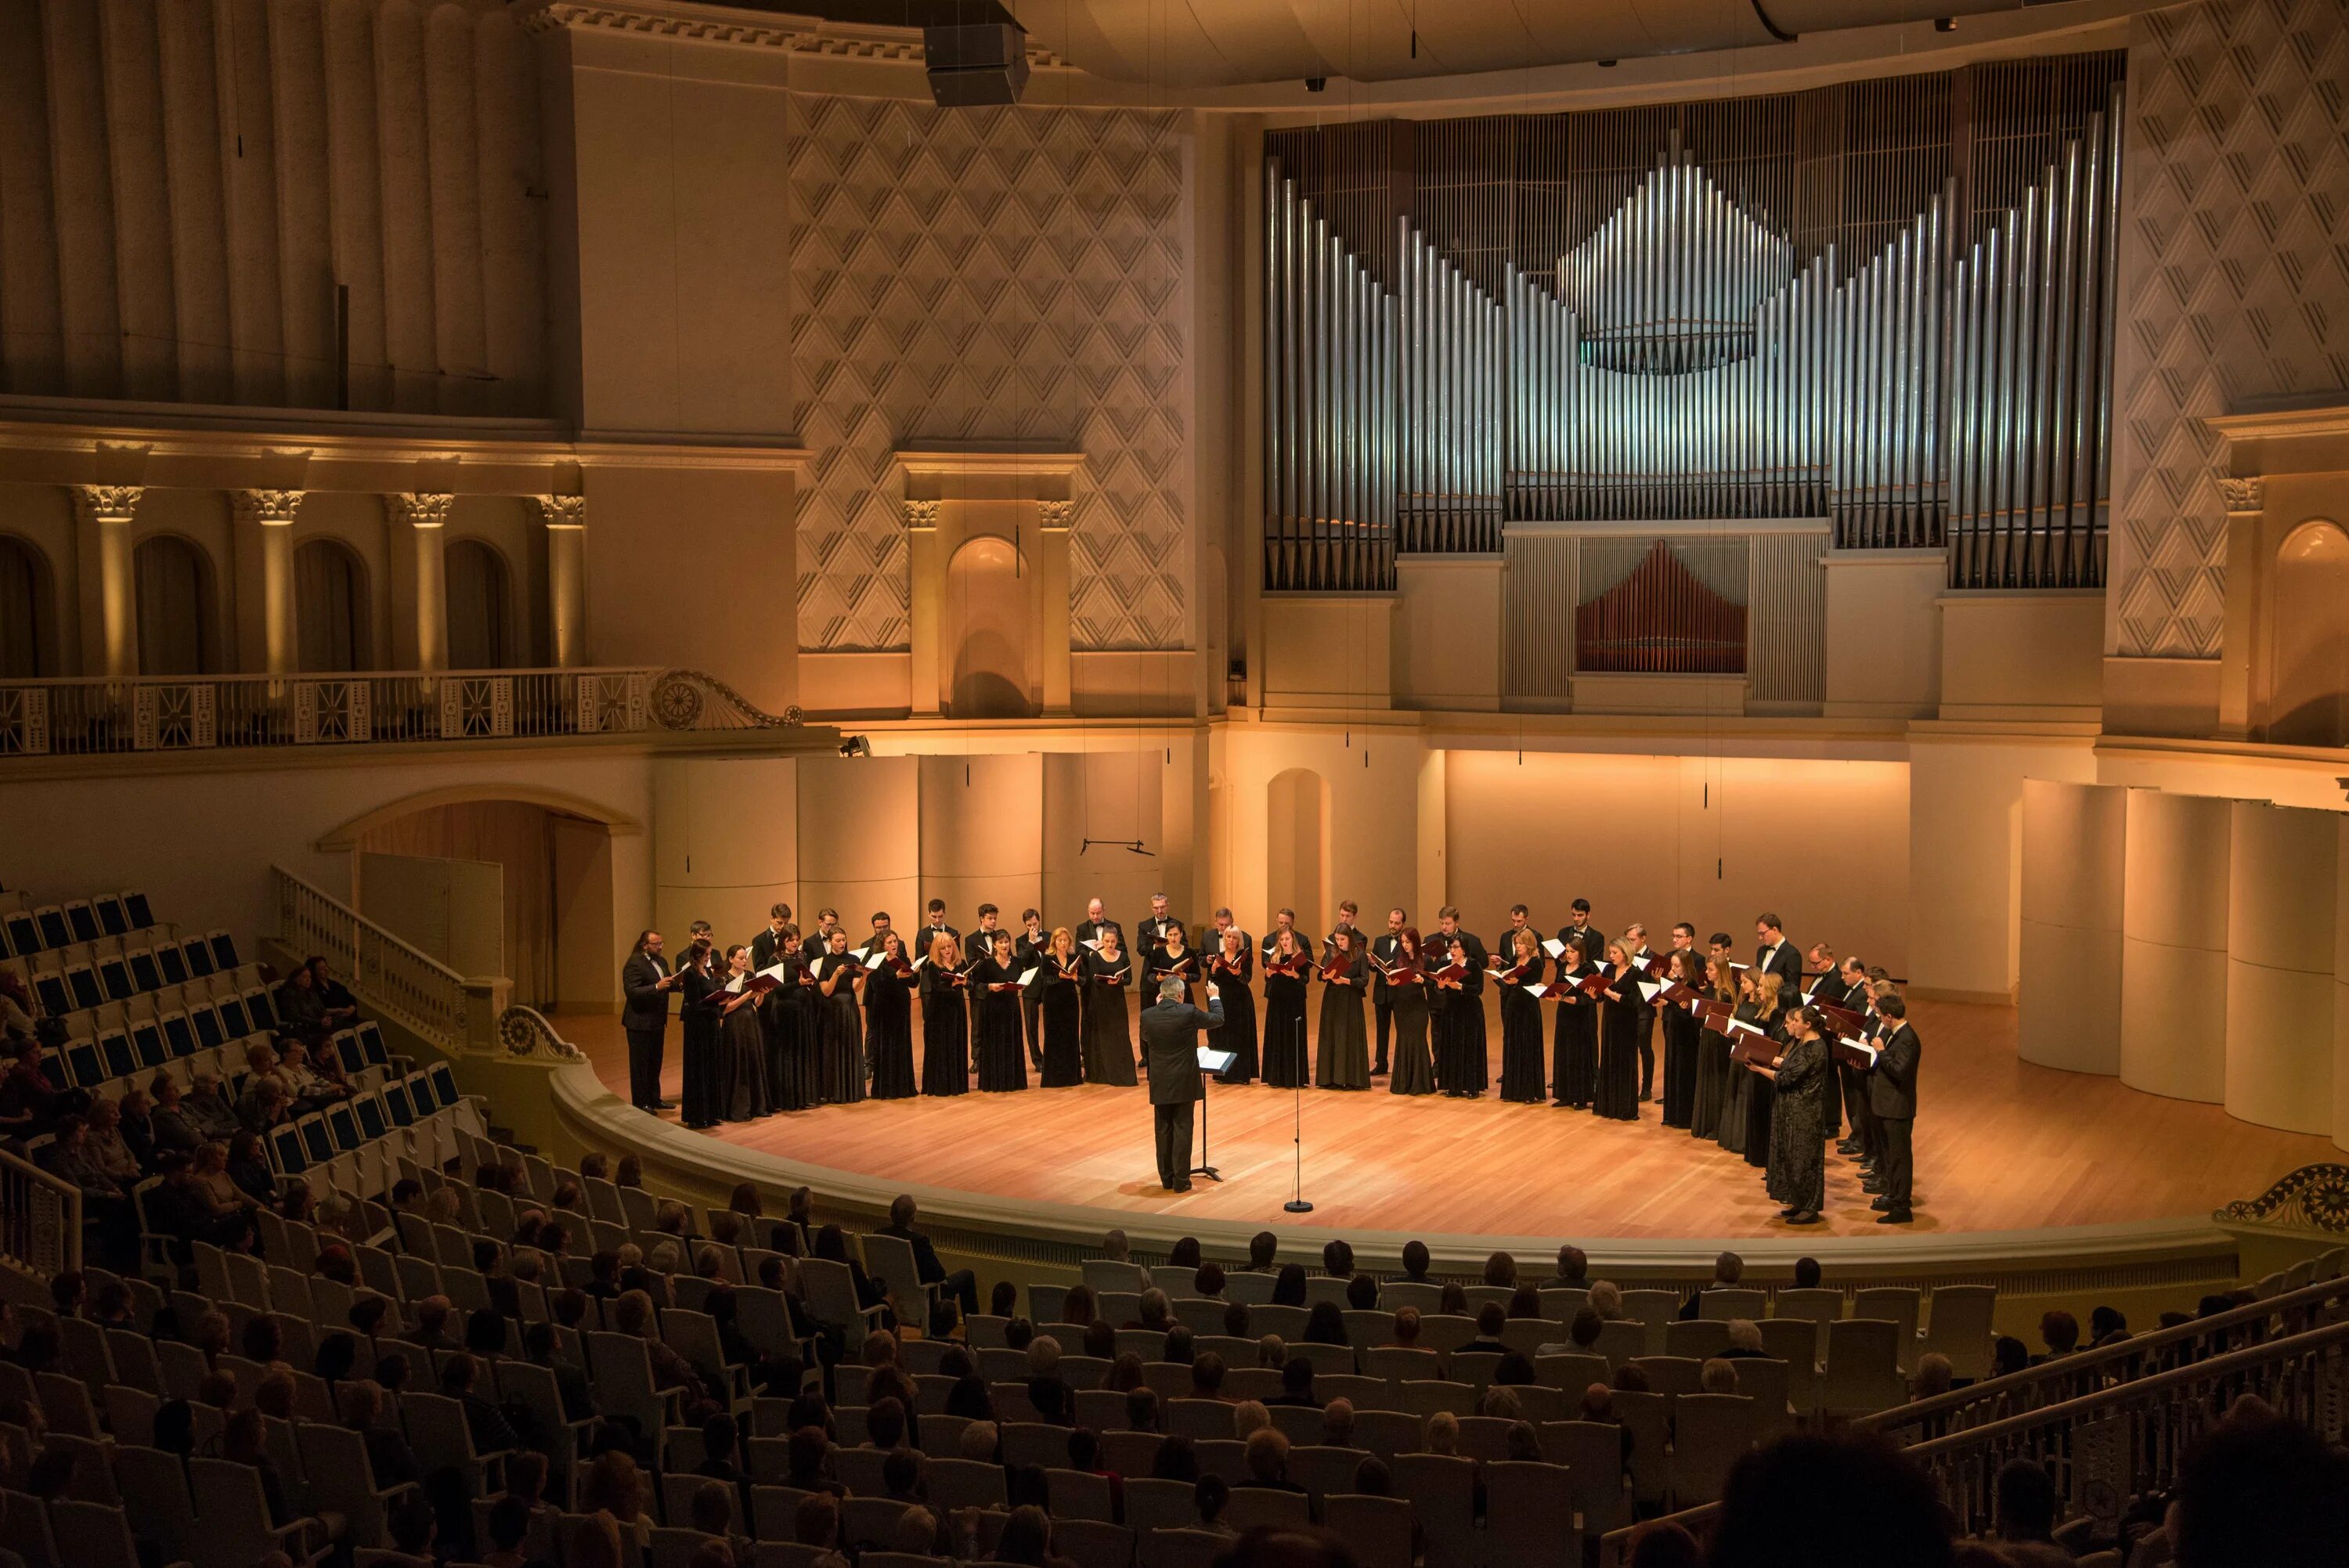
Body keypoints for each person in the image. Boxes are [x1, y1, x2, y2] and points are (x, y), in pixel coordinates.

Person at [1142, 975, 1223, 1192]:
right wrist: (1214, 997)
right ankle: (1181, 1181)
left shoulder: (1147, 1015)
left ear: (1161, 994)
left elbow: (1147, 1039)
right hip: (1184, 1081)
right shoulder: (1188, 1012)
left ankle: (1166, 1180)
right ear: (1180, 994)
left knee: (1163, 1130)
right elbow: (1217, 1019)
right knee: (1182, 1130)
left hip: (1160, 1082)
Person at [1765, 1007, 1830, 1225]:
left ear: (1808, 1024)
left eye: (1796, 1021)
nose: (1791, 1024)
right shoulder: (1803, 1044)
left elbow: (1786, 1078)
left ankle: (1809, 1207)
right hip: (1793, 1110)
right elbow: (1790, 1066)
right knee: (1792, 1158)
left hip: (1805, 1113)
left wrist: (1757, 1068)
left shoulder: (1815, 1048)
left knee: (1804, 1160)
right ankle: (1799, 1202)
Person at [879, 1195, 980, 1332]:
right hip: (924, 1295)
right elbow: (939, 1274)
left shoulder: (878, 1235)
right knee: (967, 1276)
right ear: (913, 1218)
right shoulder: (919, 1241)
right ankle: (975, 1332)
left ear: (891, 1215)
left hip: (890, 1293)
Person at [1869, 993, 1920, 1224]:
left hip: (1897, 1108)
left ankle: (1902, 1206)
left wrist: (1881, 1051)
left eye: (1880, 1016)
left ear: (1889, 1017)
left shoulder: (1907, 1038)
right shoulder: (1895, 1034)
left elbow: (1899, 1071)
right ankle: (1893, 1193)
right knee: (1890, 1155)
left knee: (1899, 1158)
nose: (1879, 1020)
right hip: (1887, 1106)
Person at [713, 946, 774, 1122]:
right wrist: (745, 997)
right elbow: (725, 1009)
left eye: (744, 958)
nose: (744, 961)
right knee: (738, 1062)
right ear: (731, 959)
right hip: (734, 1024)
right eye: (740, 958)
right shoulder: (723, 979)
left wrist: (761, 994)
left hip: (751, 1021)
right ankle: (739, 1107)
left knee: (753, 1060)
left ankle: (757, 1105)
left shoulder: (749, 976)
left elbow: (757, 1003)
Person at [1431, 912, 1488, 1097]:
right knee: (1452, 1047)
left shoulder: (1473, 965)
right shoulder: (1446, 966)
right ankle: (1453, 1086)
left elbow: (1478, 989)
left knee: (1470, 1048)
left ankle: (1472, 1087)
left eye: (1456, 947)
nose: (1453, 950)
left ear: (1464, 949)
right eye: (1451, 947)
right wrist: (1440, 986)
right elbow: (1441, 990)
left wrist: (1460, 986)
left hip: (1470, 1011)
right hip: (1452, 1010)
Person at [620, 930, 677, 1112]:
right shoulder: (634, 963)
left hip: (657, 1021)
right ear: (645, 945)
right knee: (640, 1065)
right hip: (639, 1022)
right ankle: (641, 1102)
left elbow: (669, 982)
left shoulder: (662, 961)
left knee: (655, 1062)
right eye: (656, 944)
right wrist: (656, 987)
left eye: (661, 943)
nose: (660, 947)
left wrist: (682, 982)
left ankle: (654, 1098)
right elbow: (632, 992)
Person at [675, 924, 723, 1130]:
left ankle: (711, 1112)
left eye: (710, 954)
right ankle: (696, 1115)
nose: (708, 957)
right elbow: (694, 1004)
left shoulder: (708, 973)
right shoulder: (692, 974)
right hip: (698, 1028)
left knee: (711, 1069)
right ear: (697, 955)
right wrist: (715, 1007)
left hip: (710, 1026)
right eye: (706, 954)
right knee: (698, 1071)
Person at [813, 928, 867, 1105]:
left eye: (843, 939)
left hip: (849, 1007)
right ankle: (834, 1091)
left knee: (851, 1046)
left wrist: (865, 975)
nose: (842, 943)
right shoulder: (824, 962)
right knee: (834, 1049)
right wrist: (836, 974)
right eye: (837, 940)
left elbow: (856, 988)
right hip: (832, 1009)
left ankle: (852, 1090)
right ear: (830, 942)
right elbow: (826, 991)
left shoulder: (853, 960)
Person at [972, 930, 1030, 1093]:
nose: (1005, 945)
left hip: (1011, 1008)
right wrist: (990, 987)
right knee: (994, 1044)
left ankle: (1013, 1081)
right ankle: (995, 1081)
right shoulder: (987, 963)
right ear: (995, 945)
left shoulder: (1018, 962)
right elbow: (977, 986)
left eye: (1007, 942)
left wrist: (1021, 986)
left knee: (1011, 1042)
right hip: (993, 1009)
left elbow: (1021, 980)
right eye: (1001, 942)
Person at [864, 931, 919, 1100]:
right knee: (886, 1046)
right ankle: (886, 1089)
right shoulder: (876, 961)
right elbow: (877, 985)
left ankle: (904, 1086)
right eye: (889, 942)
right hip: (884, 1007)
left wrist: (914, 973)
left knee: (902, 1044)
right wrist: (895, 976)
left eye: (895, 941)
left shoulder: (903, 959)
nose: (894, 945)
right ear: (882, 945)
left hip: (901, 1005)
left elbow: (913, 983)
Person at [1495, 927, 1547, 1103]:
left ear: (1530, 944)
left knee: (1527, 1047)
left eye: (1521, 943)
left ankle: (1528, 1092)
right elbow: (1507, 983)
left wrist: (1518, 982)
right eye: (1516, 943)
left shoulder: (1535, 963)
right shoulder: (1513, 960)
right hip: (1513, 1008)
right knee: (1513, 1046)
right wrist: (1500, 978)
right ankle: (1512, 1091)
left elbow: (1533, 987)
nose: (1518, 946)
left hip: (1528, 1009)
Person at [1082, 927, 1138, 1087]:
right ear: (1102, 940)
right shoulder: (1096, 957)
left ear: (1117, 941)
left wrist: (1118, 981)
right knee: (1103, 1035)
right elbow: (1093, 979)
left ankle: (1121, 1072)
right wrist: (1106, 981)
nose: (1110, 944)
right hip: (1100, 1001)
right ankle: (1102, 1073)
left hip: (1117, 1001)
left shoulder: (1124, 956)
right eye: (1107, 941)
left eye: (1113, 941)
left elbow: (1129, 979)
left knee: (1119, 1035)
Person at [1314, 928, 1369, 1089]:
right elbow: (1321, 974)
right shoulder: (1331, 951)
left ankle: (1352, 1079)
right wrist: (1326, 976)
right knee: (1332, 1035)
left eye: (1342, 939)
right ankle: (1330, 1078)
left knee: (1349, 1036)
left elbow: (1364, 980)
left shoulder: (1359, 954)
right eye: (1337, 939)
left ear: (1350, 939)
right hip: (1332, 999)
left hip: (1351, 1000)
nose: (1339, 942)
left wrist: (1346, 981)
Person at [1549, 935, 1599, 1109]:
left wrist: (1566, 998)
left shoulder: (1587, 970)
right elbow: (1558, 987)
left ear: (1580, 953)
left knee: (1579, 1055)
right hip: (1564, 1014)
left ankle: (1581, 1097)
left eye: (1572, 952)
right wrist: (1552, 995)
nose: (1569, 955)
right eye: (1567, 951)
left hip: (1580, 1017)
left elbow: (1589, 999)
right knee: (1563, 1052)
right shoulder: (1562, 968)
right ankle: (1565, 1095)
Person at [1593, 941, 1641, 1120]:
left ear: (1625, 953)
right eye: (1610, 952)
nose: (1611, 956)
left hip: (1627, 1024)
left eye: (1614, 952)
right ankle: (1608, 1105)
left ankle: (1624, 1107)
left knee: (1625, 1062)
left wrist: (1611, 994)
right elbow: (1600, 997)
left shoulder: (1636, 973)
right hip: (1610, 1021)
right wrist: (1595, 995)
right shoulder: (1609, 970)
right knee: (1609, 1058)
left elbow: (1634, 1001)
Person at [1658, 942, 1703, 1129]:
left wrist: (1668, 1004)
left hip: (1686, 1037)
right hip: (1674, 1031)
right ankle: (1671, 1114)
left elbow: (1687, 1014)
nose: (1674, 969)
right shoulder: (1676, 983)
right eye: (1672, 965)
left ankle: (1683, 1116)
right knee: (1672, 1070)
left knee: (1683, 1073)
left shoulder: (1691, 984)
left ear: (1686, 965)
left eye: (1677, 966)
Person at [1207, 922, 1258, 1085]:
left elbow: (1247, 978)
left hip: (1241, 1000)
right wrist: (1213, 970)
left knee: (1240, 1036)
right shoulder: (1218, 956)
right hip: (1224, 1000)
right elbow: (1212, 980)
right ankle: (1224, 1074)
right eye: (1228, 937)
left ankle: (1242, 1074)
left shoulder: (1244, 956)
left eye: (1234, 938)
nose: (1231, 940)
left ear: (1239, 940)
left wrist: (1238, 973)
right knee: (1224, 1036)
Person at [919, 933, 971, 1096]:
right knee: (940, 1045)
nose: (947, 950)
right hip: (939, 1011)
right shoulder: (933, 965)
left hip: (957, 1009)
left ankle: (957, 1084)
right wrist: (953, 983)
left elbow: (971, 984)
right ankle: (940, 1085)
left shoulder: (960, 963)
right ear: (937, 950)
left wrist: (965, 982)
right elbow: (936, 987)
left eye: (949, 947)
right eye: (943, 948)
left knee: (956, 1043)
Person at [1261, 926, 1312, 1088]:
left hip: (1294, 1001)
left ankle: (1292, 1077)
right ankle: (1276, 1077)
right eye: (1282, 939)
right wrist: (1268, 975)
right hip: (1277, 1000)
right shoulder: (1275, 956)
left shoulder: (1300, 957)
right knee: (1277, 1035)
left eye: (1287, 939)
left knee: (1292, 1036)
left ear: (1293, 940)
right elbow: (1269, 979)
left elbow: (1306, 980)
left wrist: (1295, 975)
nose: (1284, 942)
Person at [1385, 927, 1434, 1096]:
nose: (1405, 945)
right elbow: (1393, 981)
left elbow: (1434, 984)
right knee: (1403, 1040)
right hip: (1402, 1006)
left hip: (1418, 1006)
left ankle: (1420, 1084)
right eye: (1403, 942)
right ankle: (1403, 1083)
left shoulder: (1425, 959)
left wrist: (1423, 980)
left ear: (1415, 942)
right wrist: (1390, 983)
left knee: (1418, 1040)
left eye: (1408, 942)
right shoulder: (1398, 960)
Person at [1037, 928, 1086, 1087]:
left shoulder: (1074, 957)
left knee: (1071, 1037)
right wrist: (1058, 977)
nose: (1063, 943)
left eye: (1065, 940)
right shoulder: (1048, 958)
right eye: (1060, 940)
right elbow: (1044, 980)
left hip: (1070, 1001)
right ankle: (1053, 1079)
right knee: (1053, 1038)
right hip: (1052, 1002)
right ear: (1054, 942)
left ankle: (1072, 1077)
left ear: (1069, 942)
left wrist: (1075, 977)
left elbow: (1083, 981)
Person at [1369, 907, 1405, 1077]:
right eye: (1391, 922)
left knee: (1401, 1029)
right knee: (1382, 1029)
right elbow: (1373, 967)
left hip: (1398, 991)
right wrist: (1373, 963)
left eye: (1397, 923)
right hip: (1381, 991)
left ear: (1403, 924)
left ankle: (1401, 1063)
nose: (1393, 926)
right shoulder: (1379, 941)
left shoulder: (1406, 942)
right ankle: (1381, 1063)